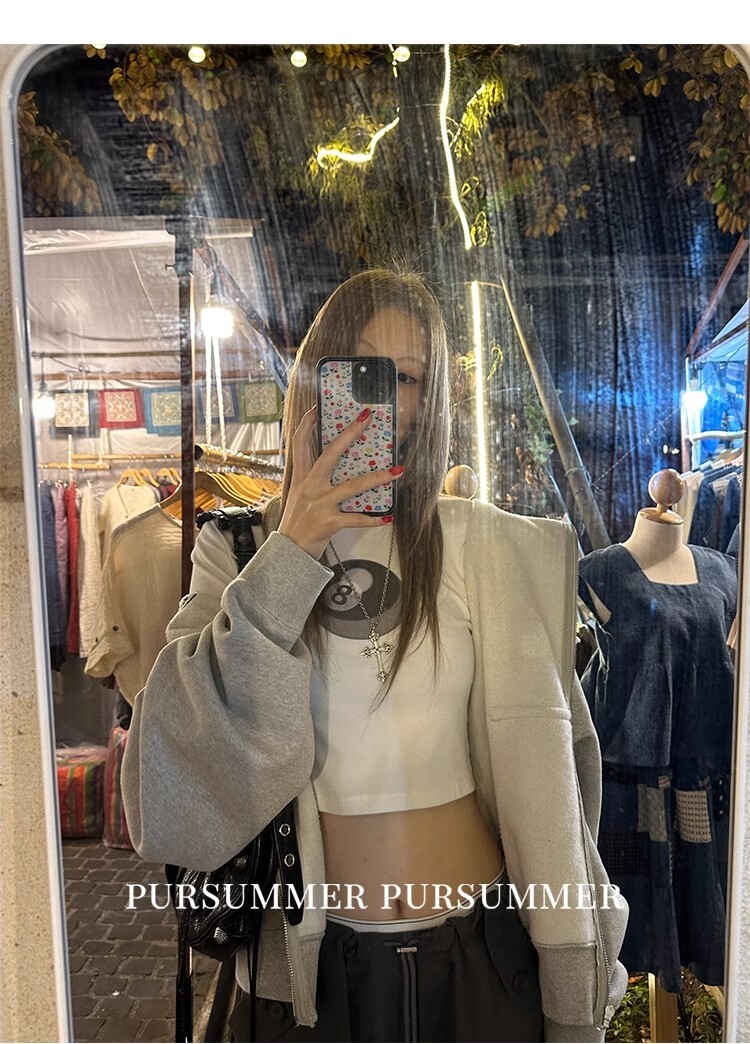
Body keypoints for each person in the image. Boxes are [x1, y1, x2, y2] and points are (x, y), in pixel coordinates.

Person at [122, 268, 628, 1043]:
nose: (380, 396)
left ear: (431, 401)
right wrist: (294, 549)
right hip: (314, 981)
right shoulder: (240, 550)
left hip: (483, 962)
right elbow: (170, 790)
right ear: (316, 382)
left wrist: (577, 979)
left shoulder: (488, 547)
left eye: (408, 376)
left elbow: (562, 779)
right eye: (358, 368)